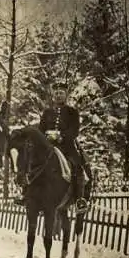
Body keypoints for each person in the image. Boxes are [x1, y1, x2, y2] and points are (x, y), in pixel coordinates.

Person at [38, 81, 88, 211]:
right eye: (56, 93)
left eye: (61, 93)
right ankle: (27, 195)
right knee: (33, 163)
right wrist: (46, 136)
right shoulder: (47, 112)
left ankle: (79, 199)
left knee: (77, 166)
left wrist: (61, 136)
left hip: (67, 147)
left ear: (66, 95)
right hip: (48, 147)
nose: (58, 95)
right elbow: (40, 129)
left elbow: (74, 131)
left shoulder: (72, 112)